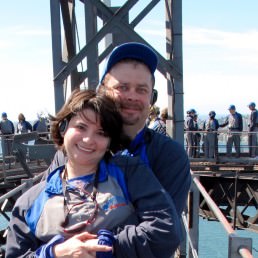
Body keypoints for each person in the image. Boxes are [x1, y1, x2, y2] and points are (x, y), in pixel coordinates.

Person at [44, 42, 191, 254]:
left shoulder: (170, 156)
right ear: (102, 92)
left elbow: (161, 238)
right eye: (122, 87)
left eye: (141, 89)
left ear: (152, 98)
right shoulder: (72, 151)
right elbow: (46, 216)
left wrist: (86, 247)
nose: (131, 96)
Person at [6, 89, 179, 258]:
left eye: (101, 133)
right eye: (81, 127)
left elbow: (166, 231)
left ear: (110, 141)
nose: (88, 139)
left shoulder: (130, 174)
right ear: (63, 127)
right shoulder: (29, 204)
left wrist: (106, 247)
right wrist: (54, 252)